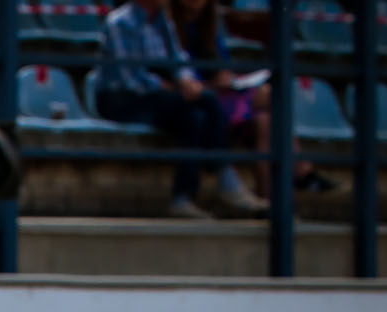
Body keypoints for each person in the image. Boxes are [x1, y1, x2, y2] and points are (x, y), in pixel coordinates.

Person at [94, 0, 229, 219]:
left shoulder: (163, 22)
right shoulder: (120, 22)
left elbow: (179, 60)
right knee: (198, 104)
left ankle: (183, 198)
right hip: (120, 100)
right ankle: (223, 177)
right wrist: (173, 89)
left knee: (195, 114)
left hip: (154, 96)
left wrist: (187, 81)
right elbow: (130, 79)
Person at [166, 0, 266, 212]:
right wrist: (201, 84)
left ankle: (271, 204)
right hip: (190, 96)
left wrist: (223, 77)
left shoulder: (210, 25)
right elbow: (172, 72)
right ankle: (225, 183)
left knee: (266, 118)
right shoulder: (166, 23)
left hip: (210, 94)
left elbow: (217, 64)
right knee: (200, 112)